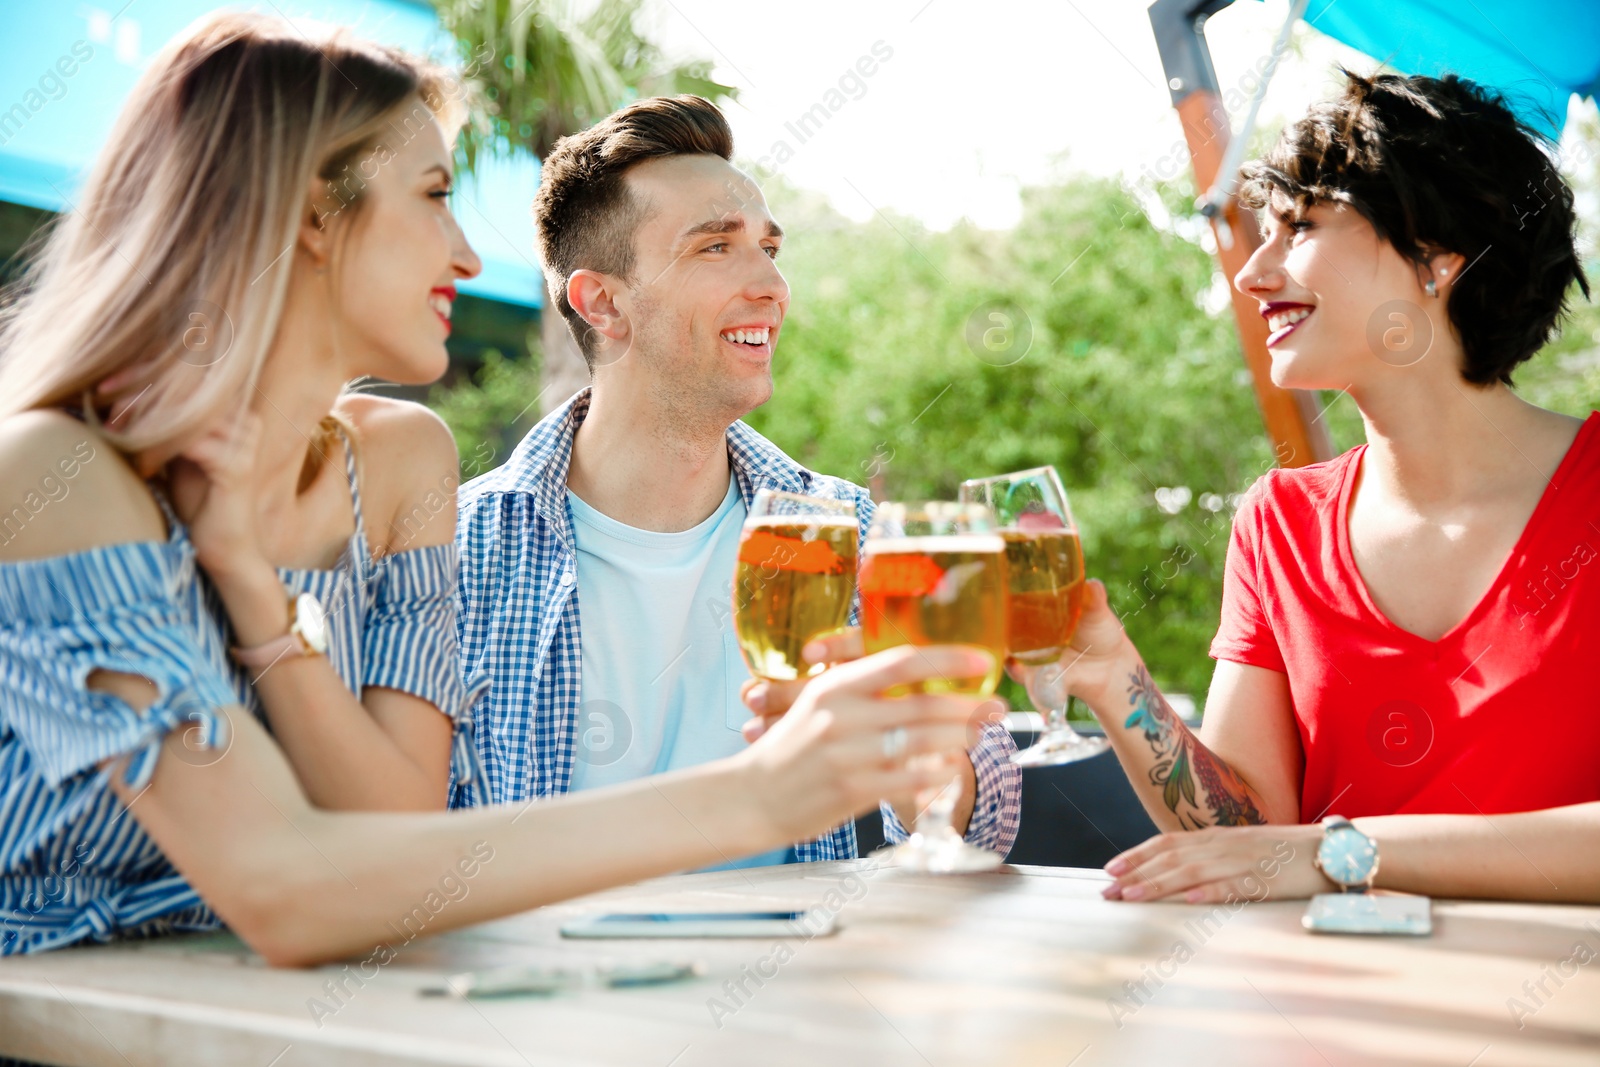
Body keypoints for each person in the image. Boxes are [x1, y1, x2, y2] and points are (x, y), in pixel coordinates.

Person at [0, 12, 1000, 962]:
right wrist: (760, 793)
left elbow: (389, 844)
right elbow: (289, 885)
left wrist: (253, 598)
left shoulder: (402, 460)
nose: (469, 252)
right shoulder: (52, 473)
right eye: (436, 195)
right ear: (312, 213)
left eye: (769, 246)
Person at [1052, 71, 1600, 904]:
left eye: (1299, 228)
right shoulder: (1280, 522)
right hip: (1331, 1006)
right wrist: (1112, 677)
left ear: (1435, 256)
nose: (1251, 273)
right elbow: (1250, 839)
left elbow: (1295, 852)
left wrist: (1338, 850)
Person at [454, 95, 1023, 863]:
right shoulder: (458, 549)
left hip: (790, 979)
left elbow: (986, 824)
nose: (772, 286)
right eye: (716, 248)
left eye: (770, 249)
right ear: (604, 303)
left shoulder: (847, 529)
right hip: (544, 979)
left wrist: (920, 761)